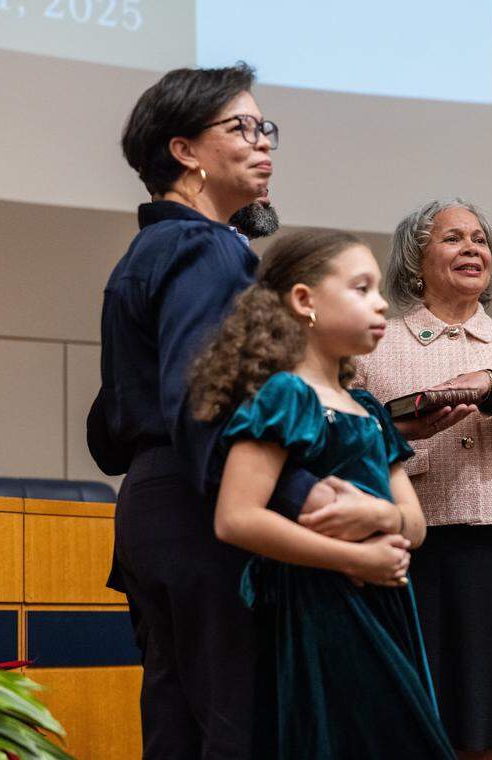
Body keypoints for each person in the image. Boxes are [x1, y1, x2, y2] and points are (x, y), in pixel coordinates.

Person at [88, 64, 338, 758]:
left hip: (155, 507)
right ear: (185, 151)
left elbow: (108, 431)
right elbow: (206, 401)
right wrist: (304, 494)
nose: (263, 142)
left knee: (179, 731)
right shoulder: (207, 249)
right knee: (240, 732)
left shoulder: (148, 251)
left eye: (265, 128)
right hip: (207, 515)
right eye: (241, 127)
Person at [189, 229, 454, 759]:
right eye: (361, 288)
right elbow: (236, 518)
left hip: (385, 601)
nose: (381, 303)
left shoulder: (368, 408)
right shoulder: (287, 396)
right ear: (304, 300)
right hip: (319, 607)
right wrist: (353, 557)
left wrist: (379, 514)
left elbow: (416, 524)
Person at [352, 198, 492, 759]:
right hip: (403, 548)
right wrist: (403, 432)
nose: (472, 248)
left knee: (487, 725)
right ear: (416, 258)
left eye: (480, 239)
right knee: (410, 721)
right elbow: (343, 437)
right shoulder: (375, 342)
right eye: (452, 238)